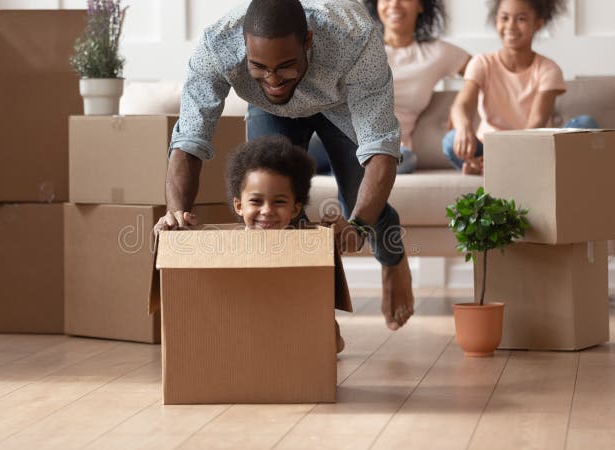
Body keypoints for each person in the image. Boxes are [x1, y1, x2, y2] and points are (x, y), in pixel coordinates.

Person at [153, 0, 415, 331]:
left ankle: (393, 261)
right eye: (259, 67)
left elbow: (381, 151)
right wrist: (176, 212)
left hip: (342, 103)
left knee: (356, 199)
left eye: (286, 66)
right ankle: (312, 309)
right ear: (243, 46)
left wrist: (359, 226)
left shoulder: (356, 39)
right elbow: (189, 142)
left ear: (308, 40)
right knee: (272, 202)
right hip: (272, 111)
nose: (274, 79)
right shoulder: (216, 47)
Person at [311, 0, 470, 174]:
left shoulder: (437, 52)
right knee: (293, 152)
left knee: (406, 160)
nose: (394, 4)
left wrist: (460, 107)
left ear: (421, 5)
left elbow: (482, 70)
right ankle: (343, 168)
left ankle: (341, 170)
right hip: (339, 137)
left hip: (390, 147)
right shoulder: (358, 44)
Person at [443, 0, 598, 175]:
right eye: (504, 18)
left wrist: (509, 156)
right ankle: (492, 167)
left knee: (586, 124)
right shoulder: (481, 63)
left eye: (521, 19)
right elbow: (460, 106)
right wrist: (464, 128)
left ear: (538, 24)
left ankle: (495, 170)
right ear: (496, 21)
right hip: (488, 150)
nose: (511, 26)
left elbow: (536, 122)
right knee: (450, 140)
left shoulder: (548, 69)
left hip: (531, 147)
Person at [226, 135, 346, 352]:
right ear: (238, 206)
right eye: (256, 201)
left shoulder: (304, 249)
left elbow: (332, 343)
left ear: (295, 209)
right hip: (245, 328)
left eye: (279, 202)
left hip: (290, 328)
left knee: (330, 342)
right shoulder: (229, 248)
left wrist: (330, 236)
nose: (267, 211)